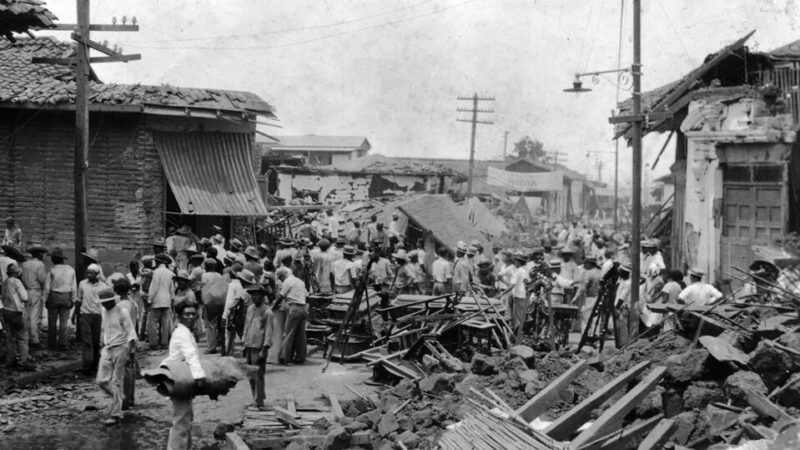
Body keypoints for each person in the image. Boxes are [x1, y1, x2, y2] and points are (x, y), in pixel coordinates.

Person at [160, 302, 206, 450]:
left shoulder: (185, 331)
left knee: (185, 418)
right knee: (181, 421)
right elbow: (190, 355)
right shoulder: (181, 333)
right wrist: (199, 376)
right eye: (187, 314)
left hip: (183, 377)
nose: (191, 317)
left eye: (193, 314)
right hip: (179, 379)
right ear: (179, 316)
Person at [96, 286, 137, 425]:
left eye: (107, 302)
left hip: (121, 347)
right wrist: (102, 344)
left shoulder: (122, 311)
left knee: (116, 381)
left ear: (113, 300)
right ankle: (120, 398)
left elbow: (131, 332)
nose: (105, 304)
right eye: (103, 302)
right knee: (101, 381)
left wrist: (129, 352)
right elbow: (105, 329)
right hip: (108, 348)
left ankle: (116, 413)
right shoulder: (103, 310)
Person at [242, 284, 274, 408]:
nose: (255, 297)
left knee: (258, 375)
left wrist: (264, 349)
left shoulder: (267, 312)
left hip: (259, 347)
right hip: (249, 345)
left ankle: (259, 400)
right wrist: (244, 344)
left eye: (257, 295)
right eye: (253, 295)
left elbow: (269, 331)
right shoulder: (250, 309)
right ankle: (255, 397)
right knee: (250, 375)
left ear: (262, 296)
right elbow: (247, 326)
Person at [112, 278, 139, 410]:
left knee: (124, 371)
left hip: (124, 339)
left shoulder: (121, 306)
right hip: (132, 337)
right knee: (130, 370)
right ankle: (130, 398)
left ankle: (125, 399)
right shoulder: (132, 303)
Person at [44, 248, 77, 350]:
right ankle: (63, 343)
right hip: (66, 296)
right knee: (64, 322)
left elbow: (47, 288)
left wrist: (45, 299)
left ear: (55, 259)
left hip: (54, 296)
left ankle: (52, 343)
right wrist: (73, 299)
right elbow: (74, 287)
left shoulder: (52, 270)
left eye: (52, 258)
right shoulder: (71, 270)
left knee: (52, 322)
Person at [76, 264, 106, 375]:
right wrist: (76, 313)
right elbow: (79, 299)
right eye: (88, 273)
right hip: (85, 315)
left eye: (91, 273)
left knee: (96, 341)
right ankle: (87, 365)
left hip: (97, 316)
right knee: (86, 341)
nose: (89, 275)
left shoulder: (103, 286)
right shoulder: (82, 284)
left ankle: (95, 363)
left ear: (97, 274)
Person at [277, 267, 309, 364]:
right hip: (303, 307)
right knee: (301, 335)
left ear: (283, 275)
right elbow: (307, 295)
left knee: (289, 333)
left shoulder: (287, 281)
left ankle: (285, 357)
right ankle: (300, 357)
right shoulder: (300, 281)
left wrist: (273, 305)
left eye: (281, 278)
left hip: (294, 307)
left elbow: (281, 296)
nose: (281, 281)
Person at [222, 269, 255, 356]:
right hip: (253, 314)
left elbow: (233, 303)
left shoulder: (242, 291)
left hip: (243, 315)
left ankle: (231, 351)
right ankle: (247, 350)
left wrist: (227, 312)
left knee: (238, 333)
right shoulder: (254, 290)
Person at [22, 244, 48, 347]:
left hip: (26, 290)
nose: (43, 255)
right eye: (41, 253)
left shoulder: (25, 264)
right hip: (36, 291)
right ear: (38, 254)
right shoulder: (40, 265)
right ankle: (34, 339)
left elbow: (23, 278)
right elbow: (42, 279)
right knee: (35, 315)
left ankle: (26, 337)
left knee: (27, 315)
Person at [146, 254, 174, 350]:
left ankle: (154, 343)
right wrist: (172, 298)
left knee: (152, 322)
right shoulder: (170, 273)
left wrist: (149, 299)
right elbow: (172, 288)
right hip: (166, 300)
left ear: (158, 262)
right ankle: (164, 343)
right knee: (165, 323)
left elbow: (154, 286)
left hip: (157, 300)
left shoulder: (157, 272)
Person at [508, 252, 529, 341]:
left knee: (517, 318)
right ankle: (518, 336)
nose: (514, 263)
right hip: (524, 296)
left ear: (519, 262)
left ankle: (517, 337)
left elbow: (512, 285)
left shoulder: (518, 271)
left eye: (516, 261)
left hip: (519, 297)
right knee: (520, 317)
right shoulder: (525, 270)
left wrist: (502, 294)